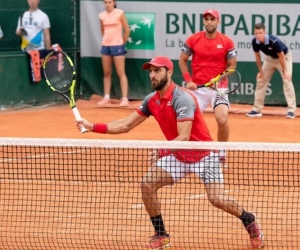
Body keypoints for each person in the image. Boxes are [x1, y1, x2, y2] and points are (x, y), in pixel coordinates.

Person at [76, 55, 264, 249]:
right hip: (178, 155)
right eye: (150, 71)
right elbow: (125, 125)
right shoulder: (151, 100)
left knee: (217, 198)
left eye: (157, 71)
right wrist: (91, 126)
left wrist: (163, 150)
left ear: (169, 72)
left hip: (203, 154)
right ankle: (161, 234)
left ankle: (249, 220)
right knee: (147, 185)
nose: (153, 75)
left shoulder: (182, 99)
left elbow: (184, 137)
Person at [178, 9, 237, 165]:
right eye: (207, 19)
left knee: (222, 119)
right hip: (197, 89)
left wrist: (218, 79)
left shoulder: (227, 42)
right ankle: (183, 153)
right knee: (185, 122)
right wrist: (188, 80)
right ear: (204, 21)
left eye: (213, 19)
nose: (209, 22)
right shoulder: (193, 39)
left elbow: (232, 66)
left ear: (218, 21)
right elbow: (182, 60)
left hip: (219, 88)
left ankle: (221, 151)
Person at [246, 22, 297, 119]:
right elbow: (257, 56)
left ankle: (291, 110)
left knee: (287, 80)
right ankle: (257, 109)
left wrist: (285, 71)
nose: (258, 35)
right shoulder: (254, 41)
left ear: (265, 32)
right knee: (261, 80)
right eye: (256, 33)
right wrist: (261, 72)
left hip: (284, 58)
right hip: (269, 59)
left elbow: (281, 56)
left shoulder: (273, 41)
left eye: (260, 33)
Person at [97, 0, 130, 107]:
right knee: (106, 72)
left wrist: (121, 43)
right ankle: (106, 97)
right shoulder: (101, 15)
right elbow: (102, 30)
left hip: (118, 45)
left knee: (121, 72)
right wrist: (107, 40)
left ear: (114, 3)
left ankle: (125, 98)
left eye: (109, 2)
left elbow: (127, 30)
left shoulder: (120, 13)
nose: (107, 4)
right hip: (105, 45)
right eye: (105, 2)